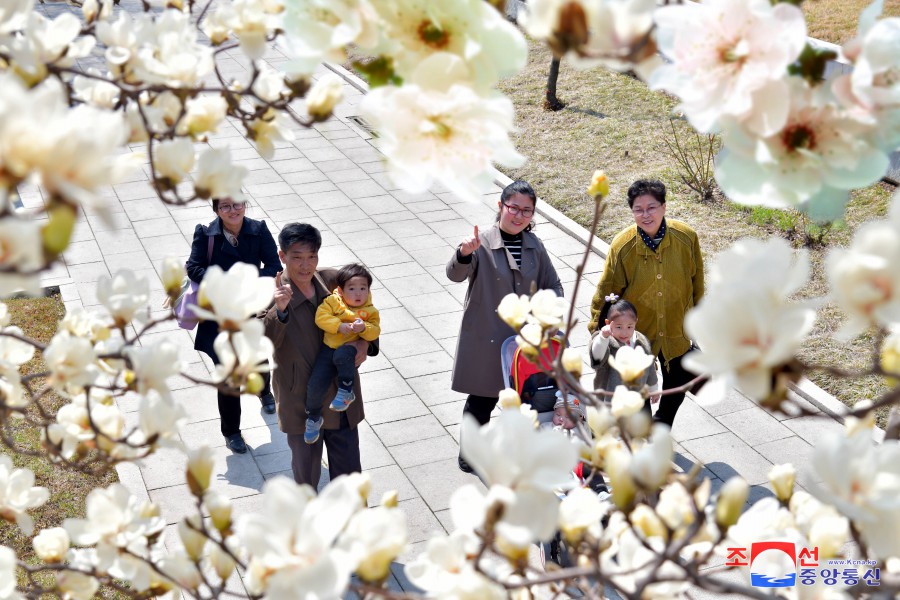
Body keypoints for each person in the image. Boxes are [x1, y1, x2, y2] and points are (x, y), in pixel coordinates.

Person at [447, 180, 563, 473]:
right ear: (501, 206)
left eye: (527, 211)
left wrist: (548, 317)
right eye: (514, 208)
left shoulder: (535, 245)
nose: (520, 216)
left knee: (528, 399)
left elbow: (553, 285)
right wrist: (463, 254)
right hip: (488, 335)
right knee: (482, 399)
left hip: (526, 339)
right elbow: (455, 275)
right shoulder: (481, 243)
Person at [262, 223, 377, 487]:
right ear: (282, 256)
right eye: (297, 257)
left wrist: (364, 344)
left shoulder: (334, 281)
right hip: (300, 398)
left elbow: (367, 311)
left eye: (311, 257)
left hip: (340, 395)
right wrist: (279, 311)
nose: (305, 266)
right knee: (306, 477)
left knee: (349, 475)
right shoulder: (270, 293)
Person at [588, 179, 704, 428]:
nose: (645, 214)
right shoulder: (622, 247)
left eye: (651, 207)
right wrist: (600, 333)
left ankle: (661, 428)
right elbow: (606, 293)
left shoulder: (686, 237)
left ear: (664, 207)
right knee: (637, 398)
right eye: (638, 210)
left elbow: (698, 284)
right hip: (636, 335)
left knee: (675, 388)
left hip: (676, 331)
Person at [186, 197, 280, 454]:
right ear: (216, 210)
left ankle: (264, 391)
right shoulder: (205, 234)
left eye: (237, 204)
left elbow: (274, 266)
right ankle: (232, 432)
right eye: (225, 206)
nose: (233, 210)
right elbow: (193, 267)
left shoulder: (258, 229)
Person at [304, 263, 381, 444]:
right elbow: (320, 317)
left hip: (348, 349)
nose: (358, 293)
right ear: (341, 289)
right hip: (328, 347)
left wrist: (364, 328)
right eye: (352, 289)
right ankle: (313, 417)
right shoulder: (332, 301)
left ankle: (346, 390)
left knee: (342, 355)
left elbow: (375, 331)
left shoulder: (370, 310)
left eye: (363, 288)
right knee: (315, 384)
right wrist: (339, 326)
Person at [590, 297, 659, 397]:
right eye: (619, 327)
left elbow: (649, 366)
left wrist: (653, 388)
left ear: (636, 322)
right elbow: (597, 357)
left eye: (629, 327)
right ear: (608, 323)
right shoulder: (606, 341)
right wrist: (603, 337)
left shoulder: (641, 340)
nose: (624, 332)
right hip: (611, 397)